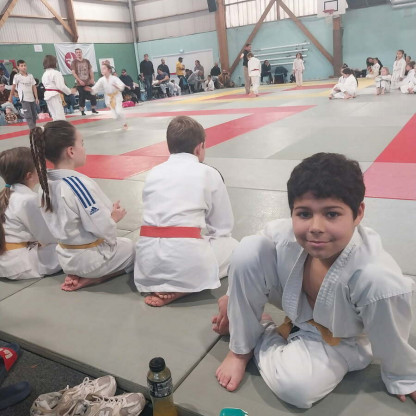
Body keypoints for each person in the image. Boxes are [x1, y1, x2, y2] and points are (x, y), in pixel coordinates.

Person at [213, 152, 416, 408]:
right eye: (304, 214)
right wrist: (232, 297)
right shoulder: (284, 235)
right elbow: (248, 265)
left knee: (297, 388)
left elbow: (391, 334)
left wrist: (403, 376)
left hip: (339, 337)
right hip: (296, 308)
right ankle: (241, 349)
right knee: (248, 249)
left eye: (331, 214)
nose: (316, 227)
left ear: (358, 213)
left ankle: (261, 329)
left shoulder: (376, 276)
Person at [134, 116, 238, 307]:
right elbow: (222, 228)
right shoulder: (208, 173)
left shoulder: (153, 173)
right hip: (185, 262)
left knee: (180, 238)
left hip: (146, 265)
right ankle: (185, 286)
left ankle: (165, 282)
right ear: (199, 148)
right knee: (234, 247)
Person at [29, 121, 134, 291]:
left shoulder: (45, 183)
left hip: (66, 257)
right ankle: (95, 278)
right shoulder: (77, 185)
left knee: (122, 243)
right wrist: (114, 218)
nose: (84, 149)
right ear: (71, 151)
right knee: (135, 249)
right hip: (90, 260)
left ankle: (83, 273)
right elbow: (101, 228)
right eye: (82, 144)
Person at [0, 147, 61, 280]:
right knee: (73, 249)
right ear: (29, 176)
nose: (44, 168)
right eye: (40, 166)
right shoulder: (28, 200)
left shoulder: (7, 195)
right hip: (19, 264)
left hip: (6, 261)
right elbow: (48, 237)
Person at [85, 63, 127, 130]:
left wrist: (118, 87)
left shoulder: (114, 78)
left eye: (104, 68)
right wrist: (91, 89)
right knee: (115, 116)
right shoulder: (101, 80)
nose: (102, 70)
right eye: (101, 69)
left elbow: (122, 86)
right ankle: (122, 123)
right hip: (109, 98)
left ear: (109, 70)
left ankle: (124, 123)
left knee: (119, 111)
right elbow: (96, 87)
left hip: (117, 97)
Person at [8, 60, 39, 129]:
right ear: (18, 67)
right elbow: (13, 87)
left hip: (32, 98)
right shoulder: (17, 76)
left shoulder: (30, 76)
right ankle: (32, 129)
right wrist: (10, 96)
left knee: (34, 115)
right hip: (24, 99)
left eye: (25, 65)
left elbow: (34, 87)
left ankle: (34, 128)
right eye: (21, 66)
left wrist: (36, 97)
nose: (24, 67)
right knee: (28, 115)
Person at [42, 55, 73, 121]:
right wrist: (69, 91)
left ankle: (56, 127)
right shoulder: (56, 73)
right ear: (53, 62)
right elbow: (61, 86)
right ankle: (61, 127)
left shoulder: (44, 74)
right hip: (54, 95)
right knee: (60, 116)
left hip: (47, 95)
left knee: (54, 115)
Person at [71, 48, 98, 116]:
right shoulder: (74, 62)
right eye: (77, 52)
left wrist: (92, 78)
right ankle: (82, 110)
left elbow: (90, 70)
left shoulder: (86, 61)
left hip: (88, 81)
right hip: (80, 83)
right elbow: (73, 73)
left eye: (80, 52)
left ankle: (93, 109)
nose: (79, 53)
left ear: (82, 53)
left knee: (93, 94)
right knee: (82, 96)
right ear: (75, 54)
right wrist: (79, 80)